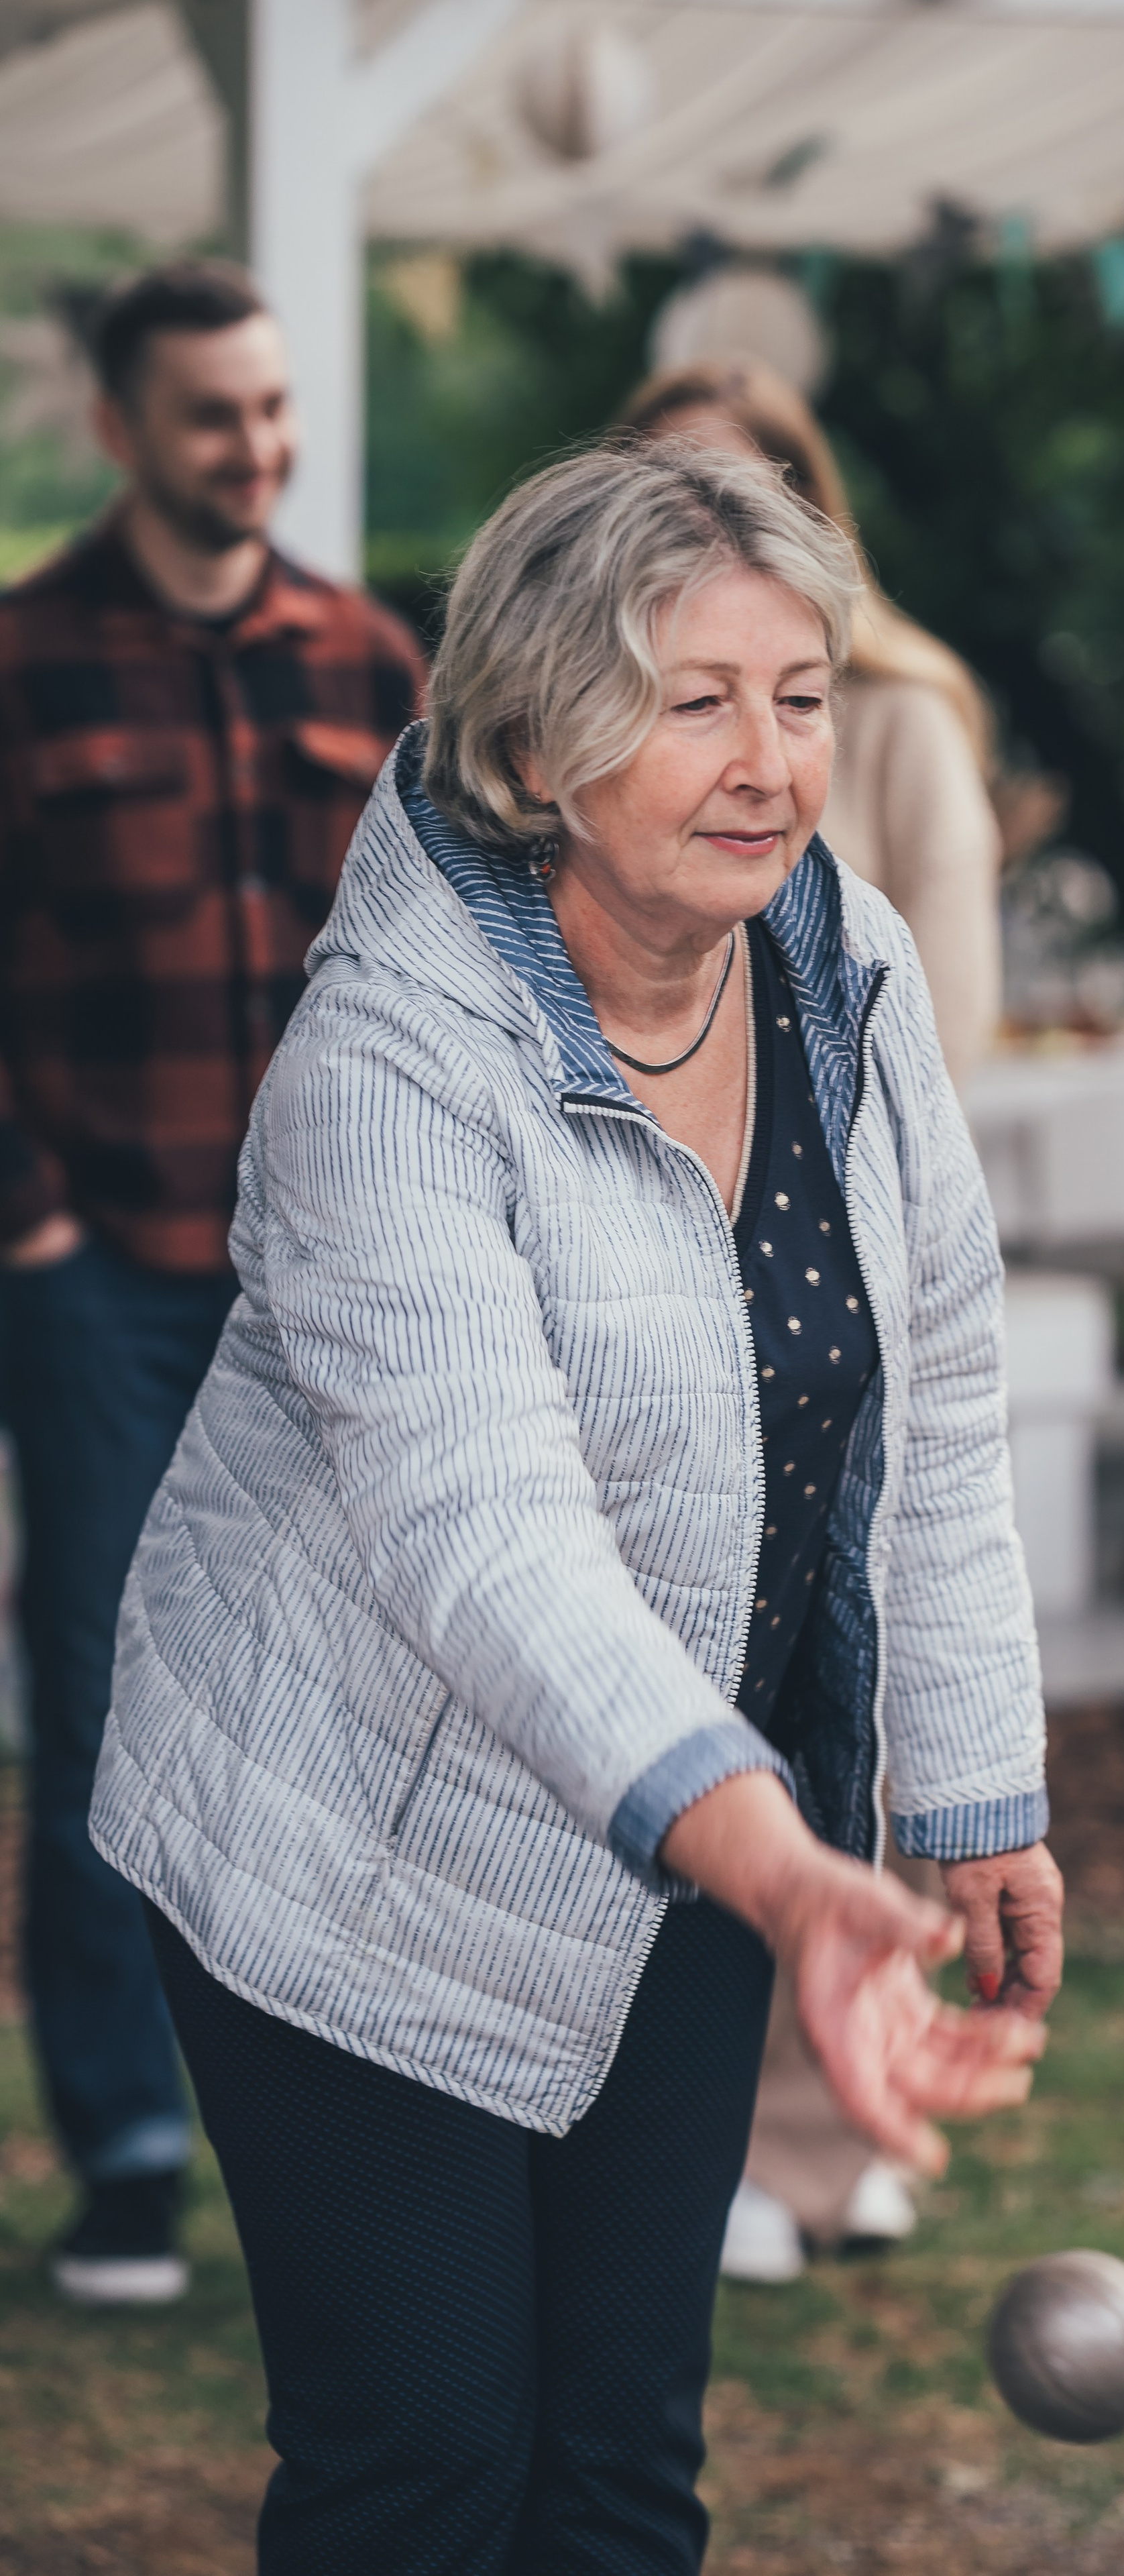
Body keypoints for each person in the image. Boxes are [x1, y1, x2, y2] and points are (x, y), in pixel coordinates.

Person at [89, 437, 1062, 2573]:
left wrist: (971, 1785)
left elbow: (943, 1384)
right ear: (534, 734)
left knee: (622, 2472)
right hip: (354, 1845)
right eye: (689, 698)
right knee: (426, 2462)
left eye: (796, 694)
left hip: (693, 1845)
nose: (767, 760)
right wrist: (797, 1879)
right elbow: (485, 1532)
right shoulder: (386, 1064)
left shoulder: (851, 969)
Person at [0, 261, 425, 2307]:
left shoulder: (370, 659)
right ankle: (130, 2148)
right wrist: (31, 1225)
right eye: (208, 417)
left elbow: (439, 963)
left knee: (348, 1709)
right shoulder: (22, 662)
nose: (253, 449)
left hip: (332, 1291)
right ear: (118, 429)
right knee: (105, 1708)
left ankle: (331, 2130)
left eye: (270, 410)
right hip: (105, 1277)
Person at [623, 356, 1010, 2277]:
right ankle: (750, 2145)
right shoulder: (571, 742)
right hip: (656, 1291)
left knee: (850, 1717)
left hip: (840, 1274)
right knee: (699, 1728)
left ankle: (817, 2129)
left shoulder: (907, 718)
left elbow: (945, 1025)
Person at [622, 357, 1003, 1089]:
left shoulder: (902, 715)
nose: (704, 523)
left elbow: (947, 1014)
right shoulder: (591, 719)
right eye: (661, 495)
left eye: (800, 705)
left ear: (805, 509)